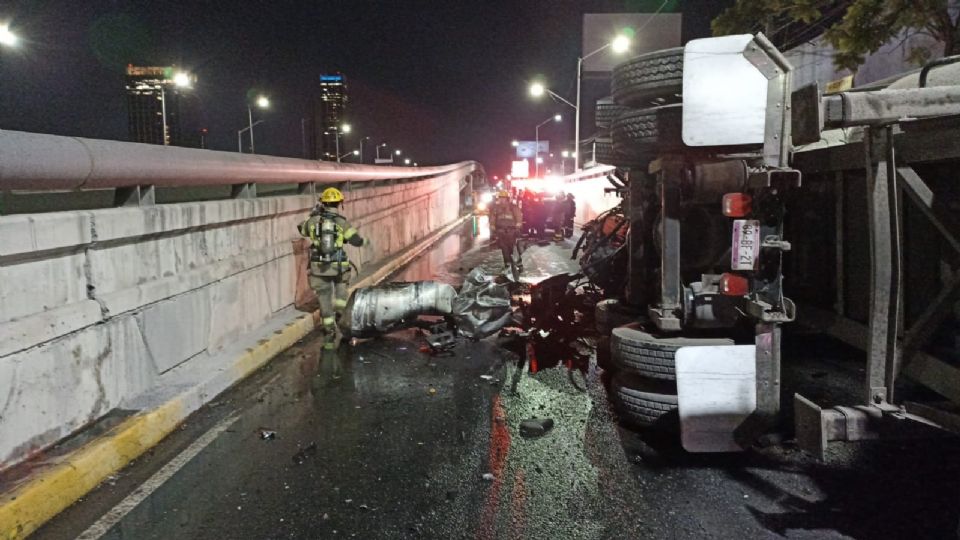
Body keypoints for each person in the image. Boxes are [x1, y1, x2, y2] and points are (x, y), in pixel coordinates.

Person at [297, 187, 369, 350]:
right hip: (339, 267)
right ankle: (341, 319)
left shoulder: (314, 221)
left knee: (323, 297)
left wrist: (313, 215)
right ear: (339, 203)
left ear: (323, 202)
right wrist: (366, 242)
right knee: (341, 292)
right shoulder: (341, 221)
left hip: (319, 267)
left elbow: (301, 229)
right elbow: (355, 240)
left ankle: (329, 330)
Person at [491, 190, 523, 273]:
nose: (501, 200)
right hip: (500, 230)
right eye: (500, 198)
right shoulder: (496, 208)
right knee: (503, 247)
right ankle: (507, 263)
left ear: (507, 199)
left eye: (503, 198)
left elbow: (518, 216)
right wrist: (492, 226)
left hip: (511, 230)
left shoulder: (513, 207)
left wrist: (518, 225)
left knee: (511, 247)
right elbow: (493, 217)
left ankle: (516, 263)